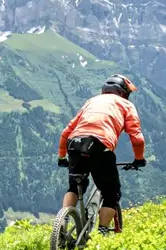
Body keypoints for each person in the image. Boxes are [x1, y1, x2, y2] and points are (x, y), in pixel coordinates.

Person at [56, 74, 147, 231]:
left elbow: (66, 132)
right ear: (124, 92)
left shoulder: (91, 101)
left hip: (74, 144)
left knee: (75, 188)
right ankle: (103, 230)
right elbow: (137, 137)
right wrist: (139, 159)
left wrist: (61, 157)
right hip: (100, 147)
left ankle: (62, 221)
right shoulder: (126, 105)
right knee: (111, 194)